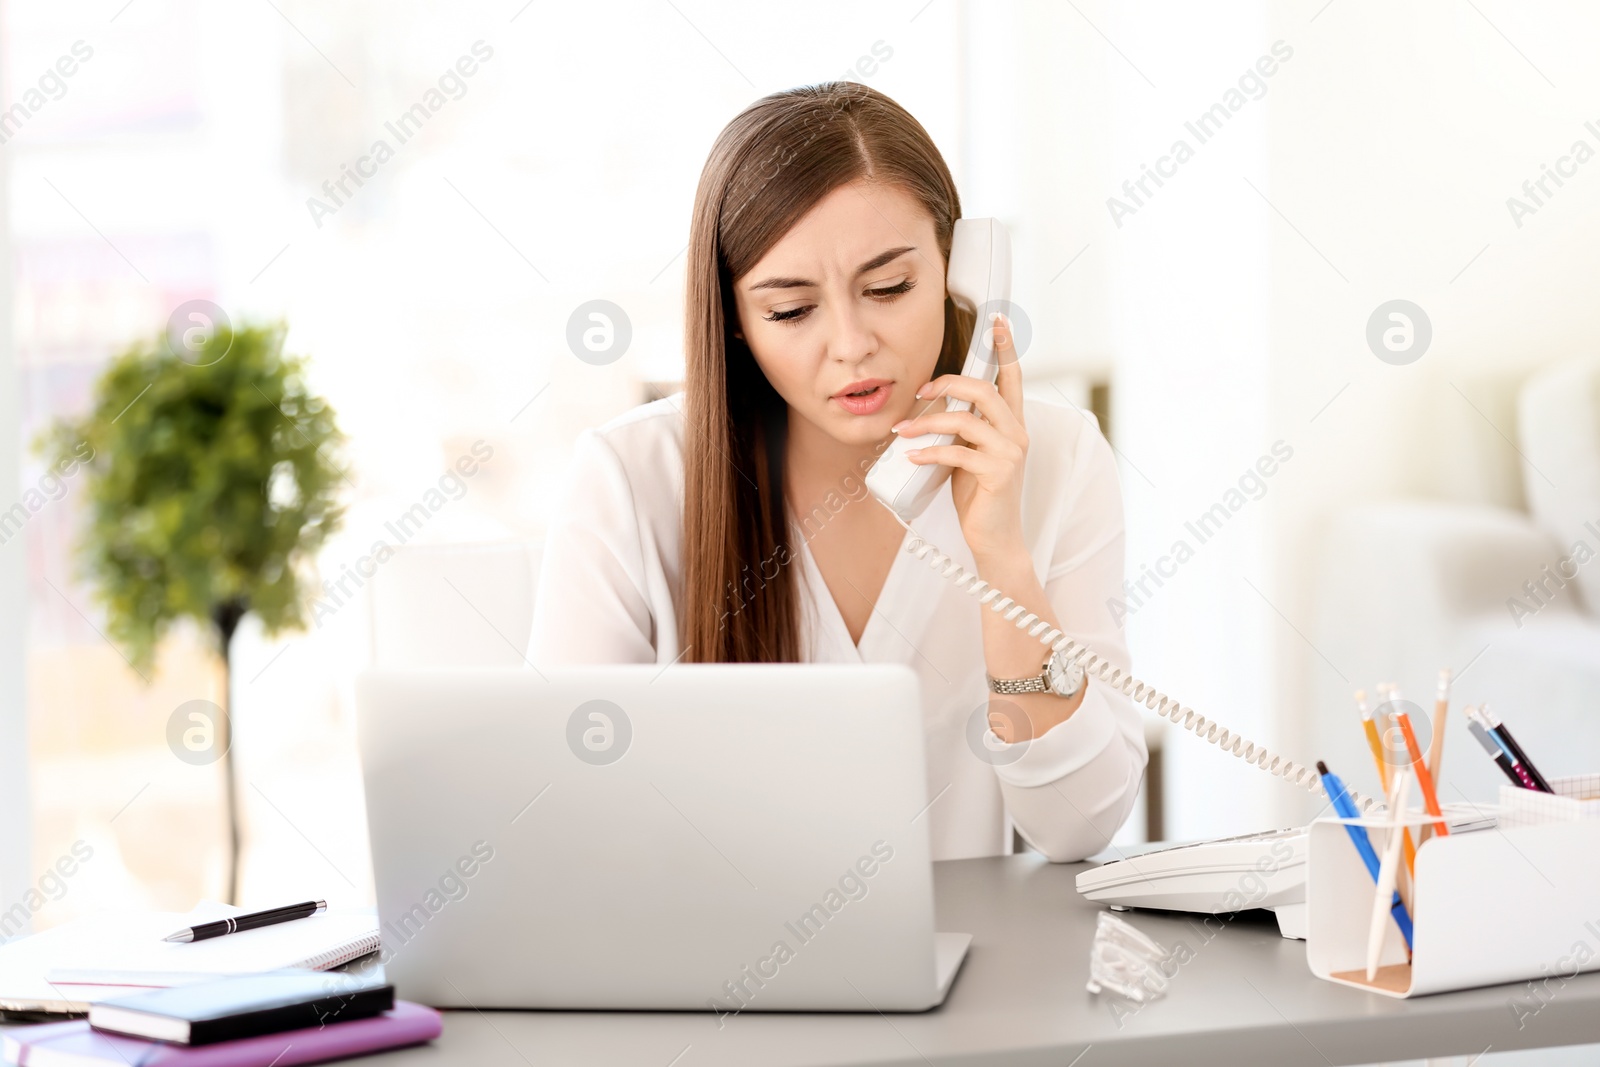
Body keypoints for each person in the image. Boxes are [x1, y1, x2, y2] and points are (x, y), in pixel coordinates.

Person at [529, 81, 1145, 862]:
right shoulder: (631, 477)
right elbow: (563, 821)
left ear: (962, 271)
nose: (851, 344)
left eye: (889, 288)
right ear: (738, 322)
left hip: (982, 974)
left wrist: (1002, 560)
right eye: (791, 310)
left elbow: (1081, 824)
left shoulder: (1058, 457)